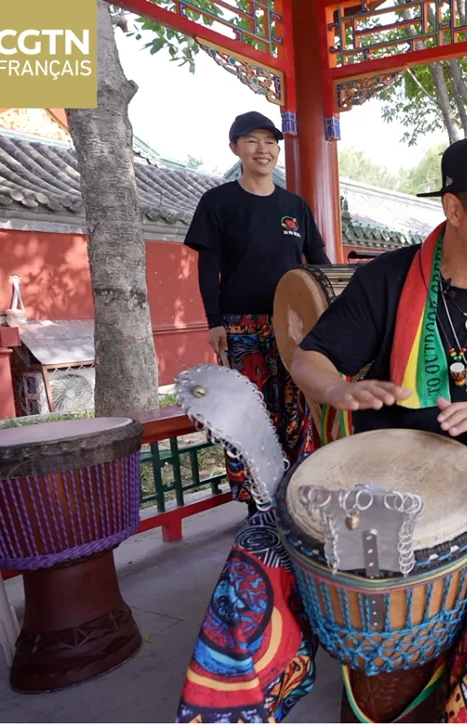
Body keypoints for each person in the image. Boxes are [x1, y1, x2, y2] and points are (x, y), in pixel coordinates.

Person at [176, 135, 467, 724]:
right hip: (373, 468)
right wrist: (337, 388)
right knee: (261, 546)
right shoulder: (388, 279)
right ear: (455, 208)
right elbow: (310, 358)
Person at [184, 111, 330, 514]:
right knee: (251, 414)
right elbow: (207, 267)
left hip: (295, 329)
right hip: (240, 326)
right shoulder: (217, 202)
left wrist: (335, 307)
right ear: (235, 148)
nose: (262, 149)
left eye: (270, 141)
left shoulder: (295, 206)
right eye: (251, 141)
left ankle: (299, 494)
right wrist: (214, 323)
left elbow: (319, 263)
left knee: (298, 408)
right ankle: (258, 506)